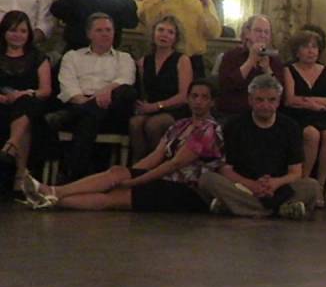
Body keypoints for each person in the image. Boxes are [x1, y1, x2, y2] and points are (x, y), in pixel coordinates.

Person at [21, 79, 223, 212]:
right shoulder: (181, 125)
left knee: (118, 195)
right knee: (118, 172)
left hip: (187, 190)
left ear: (212, 102)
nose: (198, 101)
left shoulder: (209, 130)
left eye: (204, 97)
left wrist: (136, 181)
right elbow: (155, 156)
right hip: (166, 179)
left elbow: (174, 164)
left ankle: (53, 193)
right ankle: (52, 196)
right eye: (194, 96)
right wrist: (131, 172)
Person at [199, 74, 320, 219]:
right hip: (242, 186)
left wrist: (275, 183)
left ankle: (237, 207)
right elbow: (226, 170)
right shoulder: (234, 126)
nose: (265, 105)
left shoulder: (290, 127)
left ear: (278, 102)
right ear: (250, 100)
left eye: (271, 100)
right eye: (259, 100)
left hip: (278, 188)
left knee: (312, 186)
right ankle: (276, 210)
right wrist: (252, 185)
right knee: (207, 180)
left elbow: (295, 172)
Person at [53, 13, 137, 180]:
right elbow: (68, 87)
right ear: (89, 34)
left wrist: (106, 92)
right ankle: (79, 177)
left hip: (111, 108)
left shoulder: (124, 58)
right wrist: (89, 103)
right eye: (99, 30)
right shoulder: (73, 56)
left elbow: (126, 79)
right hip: (79, 103)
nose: (105, 34)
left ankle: (74, 178)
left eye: (108, 30)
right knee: (90, 116)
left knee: (125, 92)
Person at [282, 28, 326, 206]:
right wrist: (312, 105)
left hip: (324, 116)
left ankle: (320, 187)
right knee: (312, 134)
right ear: (297, 51)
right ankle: (305, 183)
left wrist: (311, 101)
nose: (311, 51)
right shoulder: (289, 70)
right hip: (299, 117)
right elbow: (290, 99)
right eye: (306, 47)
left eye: (314, 47)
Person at [136, 0, 221, 76]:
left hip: (194, 61)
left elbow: (214, 33)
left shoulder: (200, 1)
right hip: (165, 59)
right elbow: (146, 20)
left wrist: (206, 4)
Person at [129, 15, 193, 160]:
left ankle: (157, 167)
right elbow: (143, 90)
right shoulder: (144, 61)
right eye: (161, 30)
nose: (164, 34)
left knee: (154, 125)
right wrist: (143, 106)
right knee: (135, 123)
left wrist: (157, 106)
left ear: (176, 38)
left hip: (175, 108)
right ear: (153, 34)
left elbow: (184, 96)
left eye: (170, 32)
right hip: (152, 106)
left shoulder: (182, 60)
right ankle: (138, 167)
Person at [0, 10, 52, 186]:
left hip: (31, 103)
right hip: (2, 103)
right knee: (23, 115)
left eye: (23, 31)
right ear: (4, 32)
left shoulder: (38, 57)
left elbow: (45, 90)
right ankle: (19, 173)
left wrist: (24, 93)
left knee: (26, 104)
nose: (18, 35)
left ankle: (12, 145)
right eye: (13, 30)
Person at [216, 14, 285, 117]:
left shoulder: (275, 60)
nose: (263, 35)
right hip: (235, 113)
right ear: (248, 33)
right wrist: (250, 61)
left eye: (266, 32)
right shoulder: (231, 56)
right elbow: (226, 87)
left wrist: (267, 69)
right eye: (258, 31)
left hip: (266, 114)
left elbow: (280, 93)